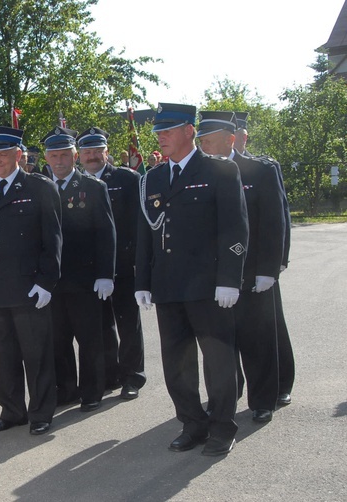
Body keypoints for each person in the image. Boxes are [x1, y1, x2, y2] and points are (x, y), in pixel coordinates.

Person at [135, 103, 248, 456]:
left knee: (218, 361)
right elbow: (144, 234)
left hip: (209, 286)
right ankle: (192, 423)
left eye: (168, 130)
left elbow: (235, 227)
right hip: (168, 285)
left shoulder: (219, 170)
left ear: (189, 131)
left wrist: (230, 278)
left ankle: (221, 427)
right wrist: (142, 280)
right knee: (176, 362)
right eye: (158, 132)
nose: (161, 137)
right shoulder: (151, 178)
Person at [0, 126, 62, 436]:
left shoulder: (39, 188)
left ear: (18, 155)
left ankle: (41, 412)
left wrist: (47, 281)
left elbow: (53, 239)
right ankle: (12, 410)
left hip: (29, 288)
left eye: (3, 155)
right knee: (5, 354)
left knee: (37, 354)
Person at [196, 111, 285, 423]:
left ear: (230, 140)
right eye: (201, 141)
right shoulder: (198, 171)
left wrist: (269, 270)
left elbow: (274, 223)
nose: (204, 147)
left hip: (250, 272)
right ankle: (224, 397)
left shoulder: (258, 170)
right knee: (217, 345)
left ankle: (263, 400)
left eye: (209, 141)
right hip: (213, 275)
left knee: (257, 340)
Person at [42, 127, 116, 412]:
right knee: (58, 341)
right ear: (47, 158)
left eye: (64, 155)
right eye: (54, 156)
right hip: (52, 280)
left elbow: (106, 233)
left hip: (86, 279)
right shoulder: (40, 187)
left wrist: (105, 274)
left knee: (89, 340)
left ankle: (92, 391)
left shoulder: (94, 188)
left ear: (75, 156)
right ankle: (67, 390)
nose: (59, 161)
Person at [77, 127, 146, 399]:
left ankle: (132, 376)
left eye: (97, 151)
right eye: (87, 152)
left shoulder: (126, 179)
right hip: (90, 268)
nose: (92, 156)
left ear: (107, 152)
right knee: (101, 325)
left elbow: (139, 224)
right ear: (79, 155)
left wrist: (141, 262)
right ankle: (110, 374)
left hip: (123, 264)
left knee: (128, 323)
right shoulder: (75, 182)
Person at [235, 111, 295, 407]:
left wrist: (277, 261)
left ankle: (281, 382)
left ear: (244, 138)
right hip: (231, 268)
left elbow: (279, 216)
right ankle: (232, 389)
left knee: (270, 328)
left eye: (237, 135)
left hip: (261, 263)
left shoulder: (262, 168)